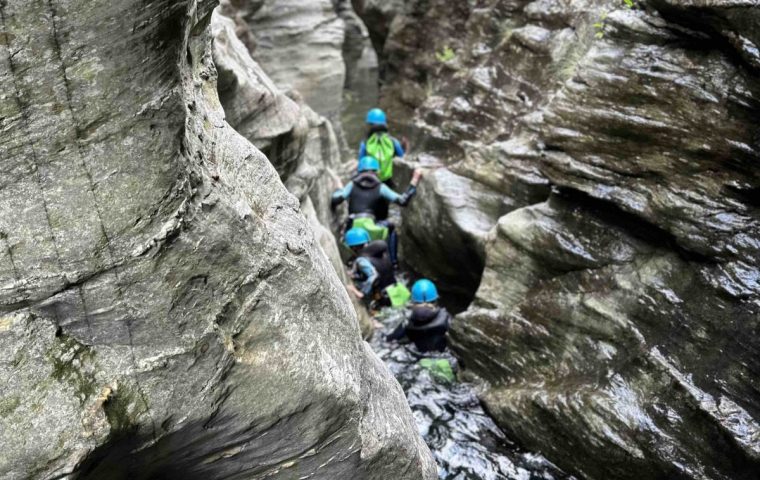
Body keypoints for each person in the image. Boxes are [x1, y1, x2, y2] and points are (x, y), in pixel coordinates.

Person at [331, 156, 422, 268]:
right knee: (391, 228)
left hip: (352, 227)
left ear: (359, 171)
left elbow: (337, 198)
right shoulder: (381, 187)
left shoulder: (352, 184)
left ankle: (352, 259)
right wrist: (415, 180)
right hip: (371, 227)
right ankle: (394, 263)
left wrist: (338, 189)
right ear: (377, 172)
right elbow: (403, 200)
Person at [359, 108, 408, 219]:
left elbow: (360, 164)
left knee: (370, 210)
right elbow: (402, 158)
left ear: (369, 125)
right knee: (384, 210)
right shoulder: (393, 141)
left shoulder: (365, 143)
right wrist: (404, 148)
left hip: (369, 181)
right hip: (386, 182)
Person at [386, 279, 451, 352]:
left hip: (419, 353)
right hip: (443, 353)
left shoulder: (407, 323)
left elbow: (390, 339)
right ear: (436, 300)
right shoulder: (446, 318)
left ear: (413, 302)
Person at [344, 227, 396, 304]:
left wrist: (361, 293)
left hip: (385, 298)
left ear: (353, 247)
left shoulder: (361, 260)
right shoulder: (380, 251)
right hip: (395, 290)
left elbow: (374, 276)